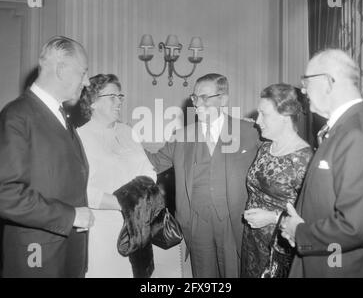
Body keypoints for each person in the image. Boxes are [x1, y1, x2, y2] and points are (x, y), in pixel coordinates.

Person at [145, 73, 258, 278]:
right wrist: (123, 141)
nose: (197, 103)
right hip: (196, 223)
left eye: (205, 97)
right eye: (195, 98)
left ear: (223, 99)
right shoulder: (182, 136)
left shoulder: (249, 131)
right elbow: (153, 163)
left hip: (234, 222)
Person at [0, 36, 95, 277]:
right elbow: (6, 194)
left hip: (66, 255)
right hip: (37, 258)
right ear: (61, 69)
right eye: (83, 72)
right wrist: (71, 215)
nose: (87, 81)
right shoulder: (17, 116)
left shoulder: (62, 117)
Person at [78, 74, 182, 278]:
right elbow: (80, 189)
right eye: (112, 97)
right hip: (102, 228)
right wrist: (125, 204)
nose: (119, 103)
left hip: (138, 224)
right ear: (92, 102)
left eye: (120, 97)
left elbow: (147, 170)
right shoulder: (80, 137)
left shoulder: (128, 132)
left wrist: (140, 204)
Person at [281, 49, 363, 277]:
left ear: (327, 83)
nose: (303, 90)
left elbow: (355, 227)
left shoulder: (357, 134)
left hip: (336, 268)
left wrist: (299, 232)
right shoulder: (346, 126)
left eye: (306, 82)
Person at [241, 84, 312, 278]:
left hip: (280, 247)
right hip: (252, 240)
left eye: (264, 114)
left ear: (285, 116)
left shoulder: (305, 160)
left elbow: (312, 219)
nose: (257, 121)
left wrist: (272, 217)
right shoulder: (265, 148)